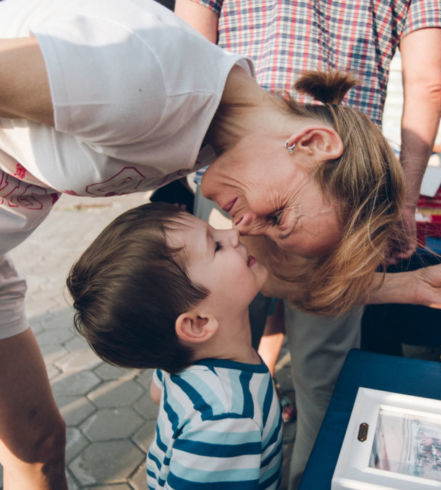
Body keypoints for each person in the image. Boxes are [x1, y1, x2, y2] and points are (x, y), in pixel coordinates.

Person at [0, 0, 441, 486]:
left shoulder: (212, 138)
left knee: (37, 443)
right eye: (278, 216)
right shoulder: (150, 81)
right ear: (311, 143)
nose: (243, 228)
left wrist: (410, 288)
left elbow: (283, 279)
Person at [174, 0, 441, 486]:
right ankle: (307, 476)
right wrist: (403, 202)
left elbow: (186, 50)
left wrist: (181, 157)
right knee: (323, 377)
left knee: (202, 359)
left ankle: (202, 464)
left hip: (232, 162)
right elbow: (427, 85)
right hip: (343, 194)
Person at [66, 202, 283, 488]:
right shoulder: (227, 419)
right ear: (198, 323)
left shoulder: (182, 359)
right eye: (215, 246)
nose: (232, 233)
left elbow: (158, 393)